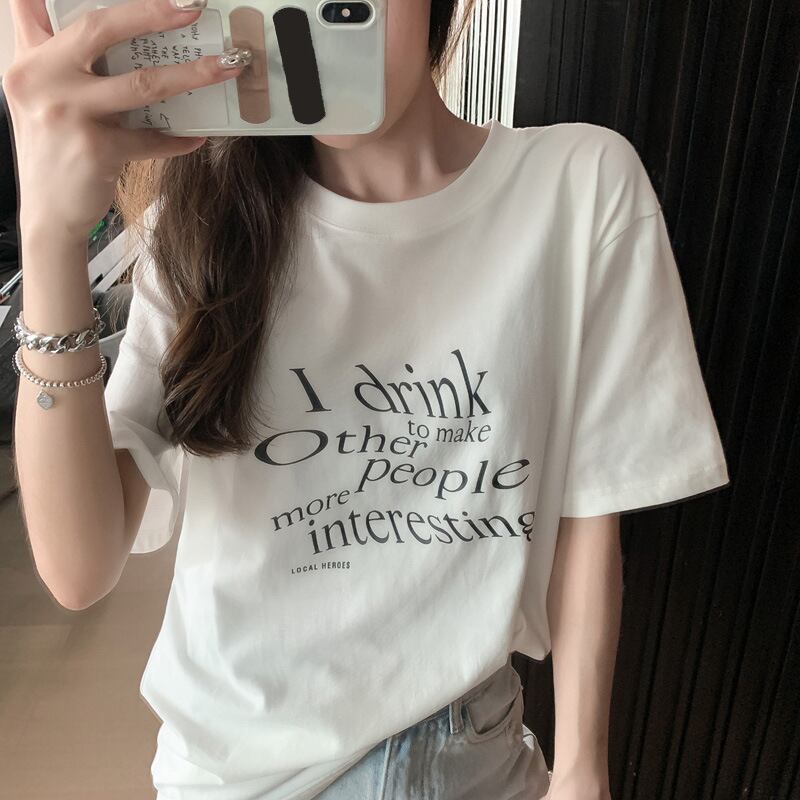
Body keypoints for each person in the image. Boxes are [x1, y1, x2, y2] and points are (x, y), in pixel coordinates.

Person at [7, 0, 731, 798]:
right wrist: (49, 238)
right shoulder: (199, 231)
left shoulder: (579, 185)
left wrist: (583, 769)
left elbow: (590, 506)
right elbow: (78, 568)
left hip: (472, 756)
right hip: (236, 768)